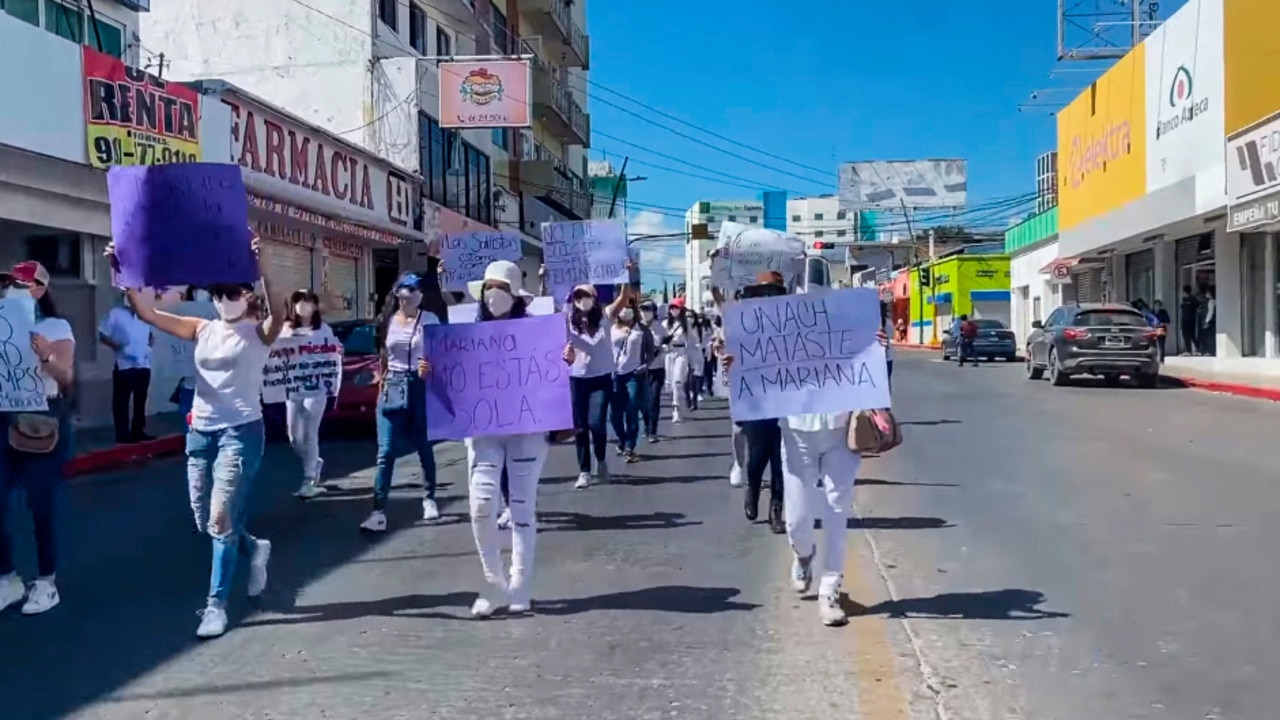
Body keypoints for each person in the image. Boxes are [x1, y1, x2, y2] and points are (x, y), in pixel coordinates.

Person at [115, 238, 286, 638]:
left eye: (228, 293)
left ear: (246, 295)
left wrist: (264, 266)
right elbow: (147, 313)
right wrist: (124, 274)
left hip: (240, 433)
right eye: (215, 293)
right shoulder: (202, 328)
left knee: (220, 519)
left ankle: (215, 606)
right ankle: (254, 547)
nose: (221, 300)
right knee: (205, 520)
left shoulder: (259, 334)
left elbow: (279, 310)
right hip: (199, 433)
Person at [721, 312, 889, 626]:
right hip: (796, 433)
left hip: (841, 432)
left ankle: (830, 589)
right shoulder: (782, 342)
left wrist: (878, 348)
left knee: (837, 509)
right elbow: (754, 379)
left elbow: (870, 370)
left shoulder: (845, 334)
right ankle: (803, 554)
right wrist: (735, 368)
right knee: (797, 519)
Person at [443, 261, 552, 617]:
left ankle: (520, 585)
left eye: (500, 287)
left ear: (514, 294)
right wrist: (433, 370)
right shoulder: (467, 331)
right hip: (483, 432)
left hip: (526, 432)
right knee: (480, 507)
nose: (493, 294)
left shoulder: (536, 331)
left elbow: (550, 373)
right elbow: (451, 379)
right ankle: (493, 583)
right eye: (488, 287)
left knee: (521, 509)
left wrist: (561, 359)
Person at [0, 261, 77, 615]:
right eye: (10, 283)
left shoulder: (54, 326)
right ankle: (8, 578)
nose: (13, 289)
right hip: (4, 415)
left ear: (40, 289)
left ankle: (46, 581)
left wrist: (45, 352)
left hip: (42, 417)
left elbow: (66, 378)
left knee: (40, 503)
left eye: (22, 284)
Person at [362, 272, 440, 532]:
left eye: (417, 290)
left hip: (419, 385)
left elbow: (443, 352)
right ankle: (378, 510)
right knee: (385, 452)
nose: (413, 295)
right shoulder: (387, 321)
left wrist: (430, 367)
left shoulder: (429, 320)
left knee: (423, 443)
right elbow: (382, 352)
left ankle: (429, 497)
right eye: (408, 290)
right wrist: (379, 376)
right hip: (392, 385)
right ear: (398, 293)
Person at [281, 289, 340, 499]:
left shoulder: (323, 329)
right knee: (293, 437)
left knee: (309, 432)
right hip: (292, 388)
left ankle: (309, 479)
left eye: (307, 301)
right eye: (299, 301)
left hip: (316, 388)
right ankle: (314, 462)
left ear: (314, 306)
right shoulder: (286, 329)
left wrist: (337, 353)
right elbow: (275, 354)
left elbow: (334, 353)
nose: (303, 305)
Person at [565, 284, 619, 489]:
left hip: (601, 378)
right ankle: (584, 471)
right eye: (577, 297)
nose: (582, 300)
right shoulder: (568, 318)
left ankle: (601, 460)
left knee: (596, 423)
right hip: (577, 378)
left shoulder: (605, 315)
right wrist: (544, 281)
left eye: (586, 295)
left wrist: (628, 275)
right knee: (580, 427)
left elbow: (623, 298)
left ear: (594, 297)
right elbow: (544, 310)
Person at [98, 291, 155, 443]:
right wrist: (116, 346)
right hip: (124, 364)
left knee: (140, 398)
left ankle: (138, 430)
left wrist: (150, 345)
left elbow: (151, 334)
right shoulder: (115, 314)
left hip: (143, 362)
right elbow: (102, 334)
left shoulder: (144, 315)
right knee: (122, 400)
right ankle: (122, 433)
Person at [609, 285, 645, 464]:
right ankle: (622, 439)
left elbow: (650, 351)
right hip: (614, 375)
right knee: (614, 415)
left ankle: (630, 446)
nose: (625, 310)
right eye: (623, 307)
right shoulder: (611, 327)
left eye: (629, 306)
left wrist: (645, 365)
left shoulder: (641, 329)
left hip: (633, 375)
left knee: (632, 411)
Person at [637, 299, 667, 443]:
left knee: (654, 400)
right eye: (642, 310)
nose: (645, 313)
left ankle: (652, 431)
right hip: (641, 370)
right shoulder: (636, 328)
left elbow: (669, 345)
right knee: (643, 401)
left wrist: (663, 349)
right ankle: (646, 425)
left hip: (657, 369)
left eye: (648, 310)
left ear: (654, 312)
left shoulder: (660, 328)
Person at [663, 298, 696, 423]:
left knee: (677, 381)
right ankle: (676, 406)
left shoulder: (687, 323)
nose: (673, 310)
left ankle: (676, 410)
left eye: (676, 307)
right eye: (672, 307)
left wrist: (693, 360)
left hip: (682, 353)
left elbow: (693, 341)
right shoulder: (666, 323)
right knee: (670, 383)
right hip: (669, 353)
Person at [1179, 285, 1199, 355]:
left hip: (1191, 320)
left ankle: (1198, 349)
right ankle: (1188, 350)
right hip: (1184, 320)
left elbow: (1198, 307)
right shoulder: (1184, 299)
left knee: (1192, 335)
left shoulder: (1193, 299)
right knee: (1185, 335)